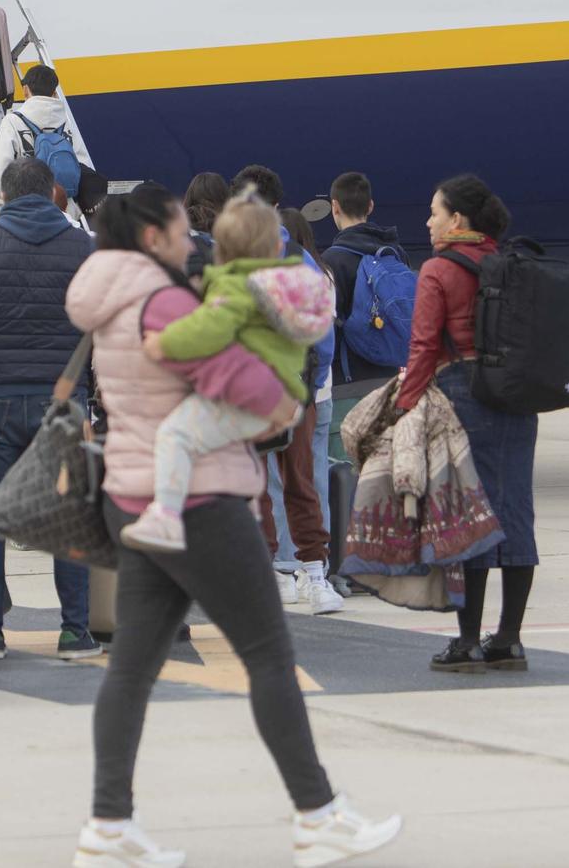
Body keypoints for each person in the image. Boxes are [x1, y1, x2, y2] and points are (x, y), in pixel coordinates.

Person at [65, 184, 402, 867]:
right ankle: (318, 815)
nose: (194, 238)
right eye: (182, 229)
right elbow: (242, 388)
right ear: (155, 235)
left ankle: (108, 824)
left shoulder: (106, 294)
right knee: (269, 656)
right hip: (204, 500)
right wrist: (282, 401)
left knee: (130, 667)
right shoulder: (164, 300)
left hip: (138, 491)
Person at [124, 193, 328, 554]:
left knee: (176, 434)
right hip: (284, 395)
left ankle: (167, 517)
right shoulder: (286, 286)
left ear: (225, 250)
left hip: (244, 398)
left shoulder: (237, 286)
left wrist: (162, 343)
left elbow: (207, 328)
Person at [0, 157, 101, 661]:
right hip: (63, 402)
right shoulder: (84, 248)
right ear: (54, 192)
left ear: (5, 194)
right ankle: (74, 631)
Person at [400, 174, 540, 674]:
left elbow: (423, 346)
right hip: (519, 396)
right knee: (515, 511)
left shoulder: (439, 269)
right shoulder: (511, 264)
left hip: (463, 393)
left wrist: (405, 402)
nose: (428, 220)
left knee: (468, 517)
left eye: (435, 211)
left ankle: (466, 642)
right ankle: (508, 639)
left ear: (457, 219)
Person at [231, 166, 342, 614]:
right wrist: (312, 384)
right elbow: (324, 334)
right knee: (301, 483)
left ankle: (271, 576)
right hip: (297, 389)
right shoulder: (300, 258)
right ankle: (314, 573)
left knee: (256, 484)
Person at [321, 171, 408, 409]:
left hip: (347, 381)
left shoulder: (331, 260)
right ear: (370, 206)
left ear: (334, 207)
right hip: (392, 378)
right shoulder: (396, 255)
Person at [0, 64, 73, 217]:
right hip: (63, 209)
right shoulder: (66, 122)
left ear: (26, 90)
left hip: (22, 209)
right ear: (54, 92)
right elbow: (80, 165)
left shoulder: (12, 121)